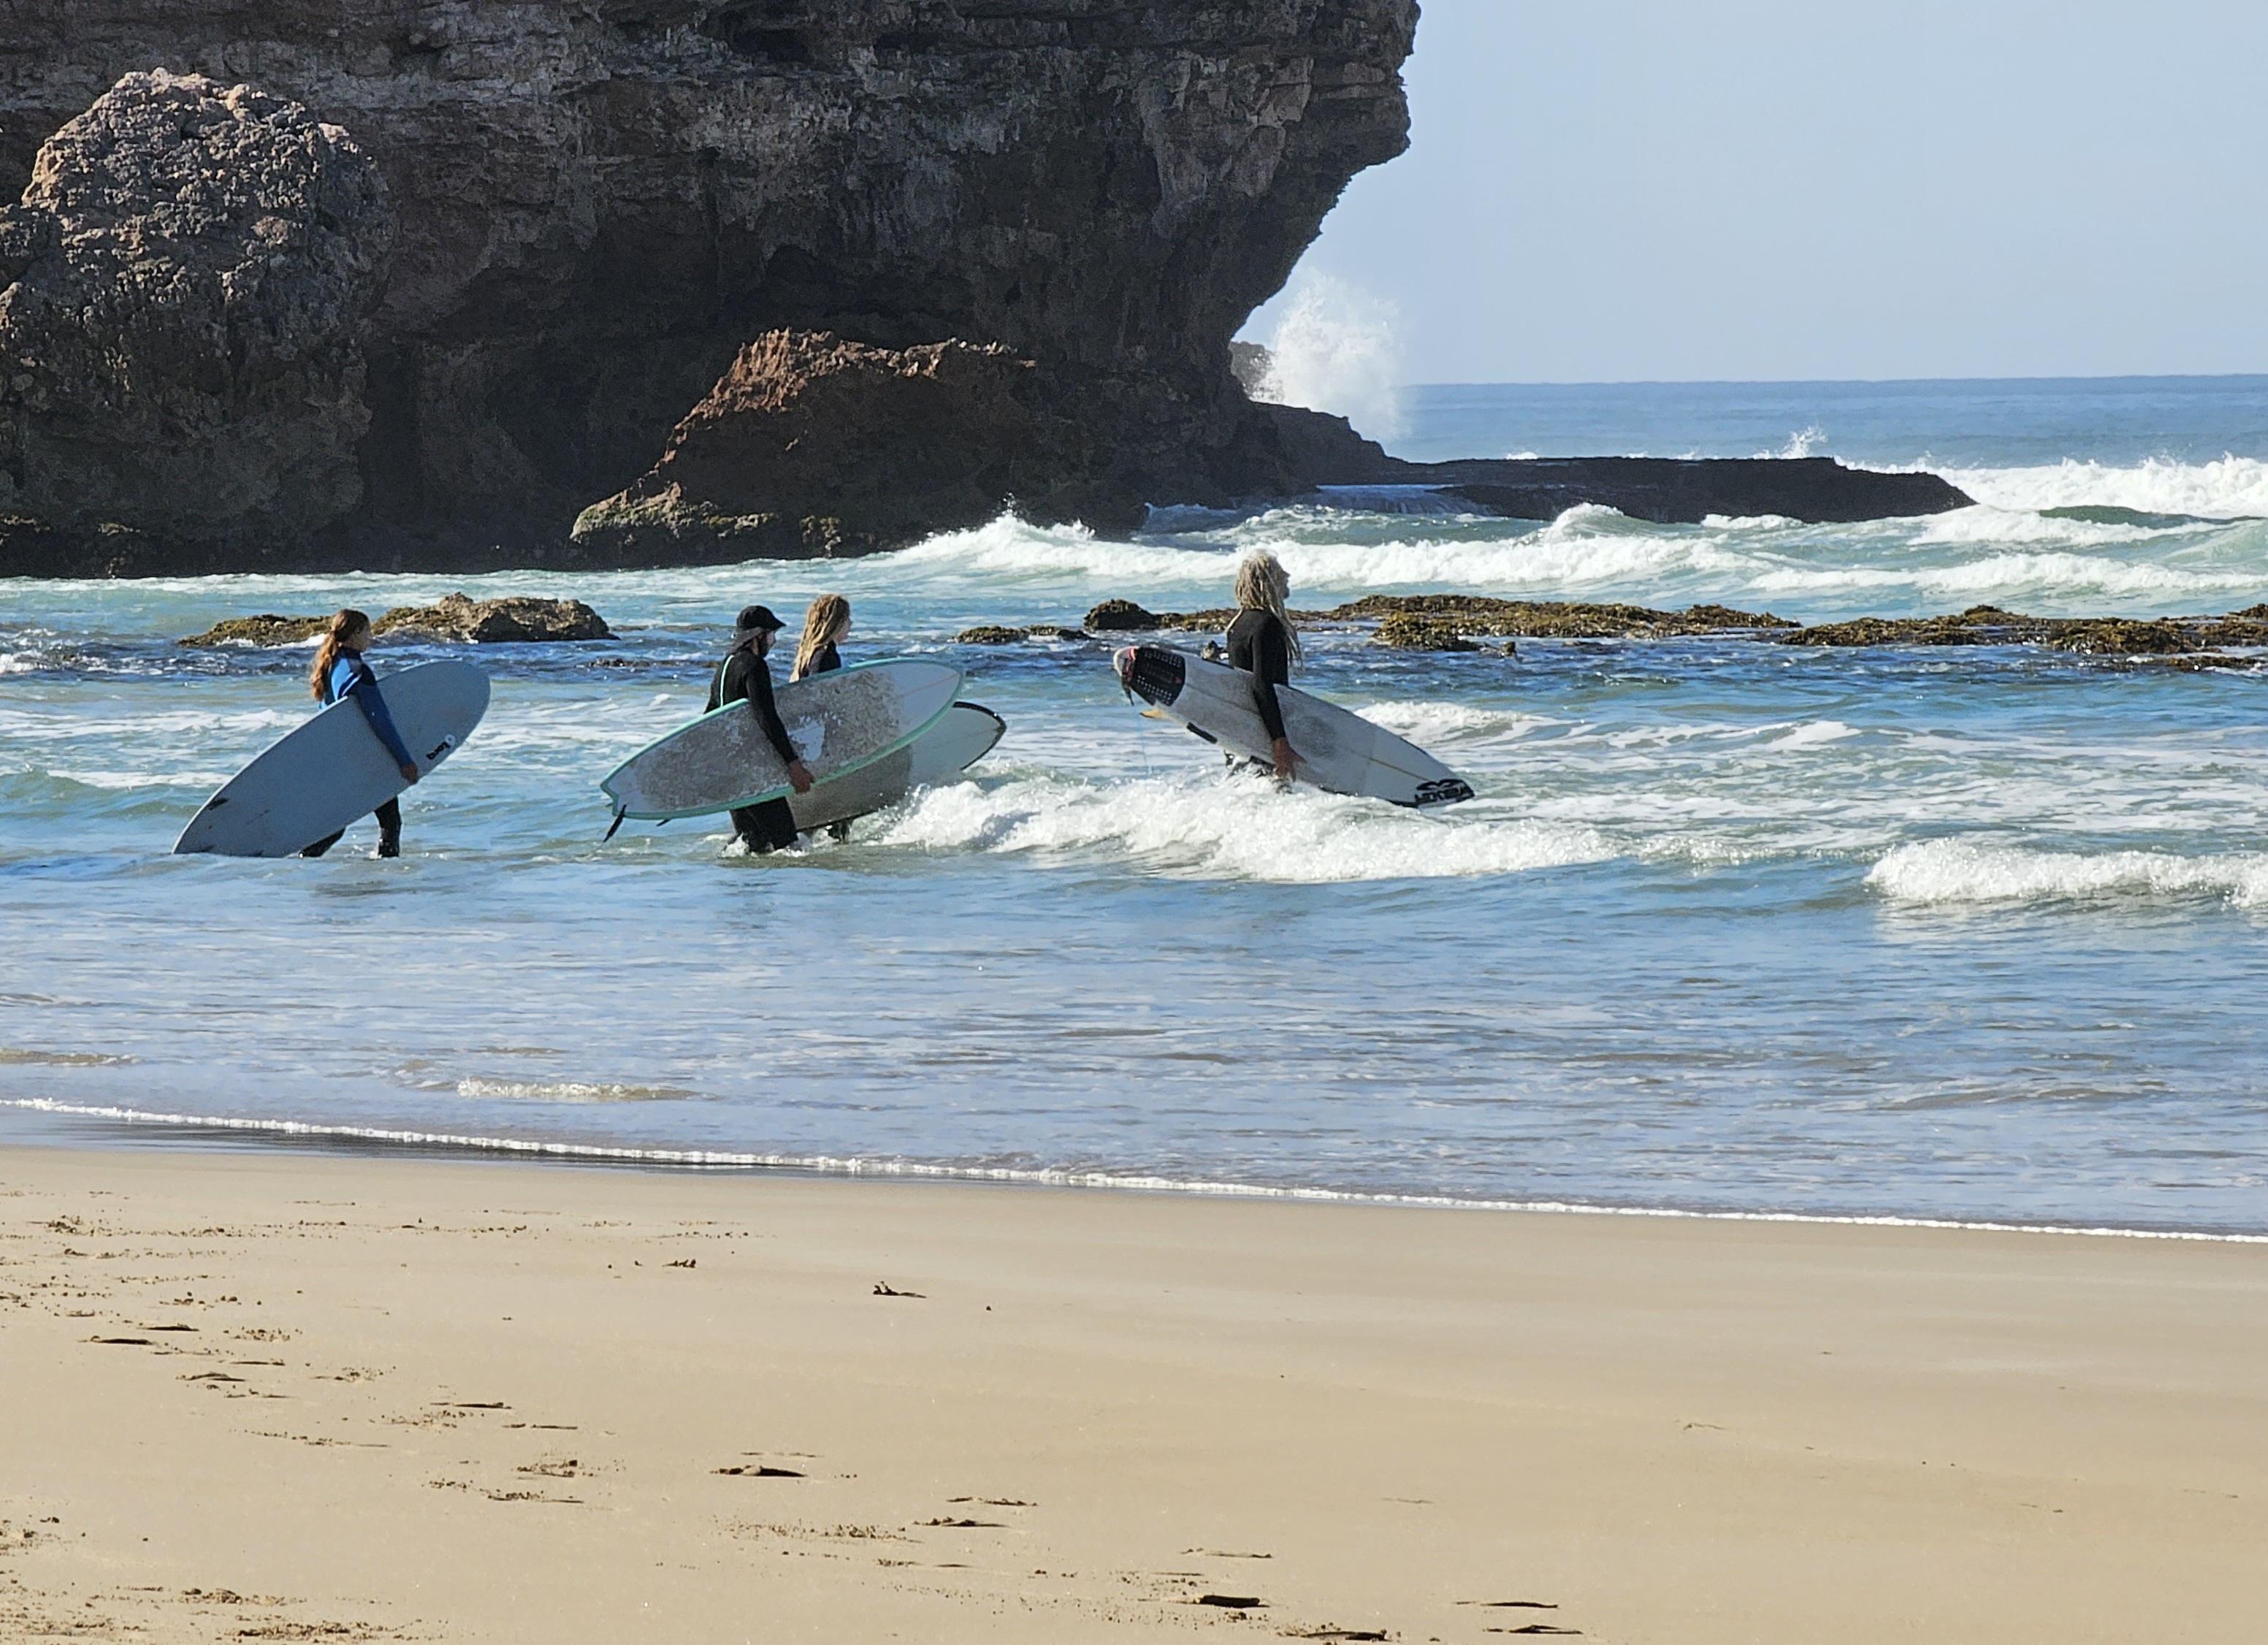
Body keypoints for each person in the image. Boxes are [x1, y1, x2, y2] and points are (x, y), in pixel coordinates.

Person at [302, 608, 419, 858]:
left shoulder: (330, 665)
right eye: (368, 631)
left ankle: (303, 865)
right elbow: (379, 719)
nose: (371, 637)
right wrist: (404, 760)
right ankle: (386, 877)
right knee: (389, 823)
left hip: (339, 755)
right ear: (355, 633)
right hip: (365, 756)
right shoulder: (358, 671)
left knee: (337, 827)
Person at [708, 603, 812, 855]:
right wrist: (793, 764)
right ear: (758, 636)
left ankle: (749, 893)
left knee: (752, 846)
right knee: (789, 846)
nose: (773, 641)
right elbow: (767, 717)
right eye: (771, 634)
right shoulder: (753, 666)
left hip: (731, 775)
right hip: (753, 774)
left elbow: (709, 719)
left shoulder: (724, 667)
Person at [1226, 551, 1302, 780]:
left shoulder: (1238, 624)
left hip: (1247, 728)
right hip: (1266, 733)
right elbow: (1262, 685)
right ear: (1267, 581)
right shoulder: (1267, 624)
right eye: (1280, 572)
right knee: (1274, 792)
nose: (1287, 575)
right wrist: (1279, 740)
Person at [791, 594, 854, 841]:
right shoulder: (825, 655)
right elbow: (821, 698)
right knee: (840, 808)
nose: (851, 625)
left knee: (824, 808)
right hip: (825, 742)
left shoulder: (809, 653)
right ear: (835, 622)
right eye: (848, 619)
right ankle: (835, 856)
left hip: (812, 742)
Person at [791, 593, 852, 682]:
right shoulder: (827, 657)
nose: (851, 623)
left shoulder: (810, 652)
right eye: (847, 618)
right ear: (837, 624)